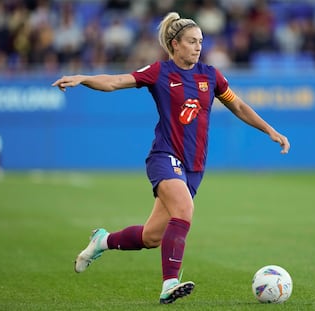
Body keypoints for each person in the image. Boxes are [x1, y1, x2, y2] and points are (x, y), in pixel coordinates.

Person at [52, 12, 290, 304]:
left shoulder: (210, 75)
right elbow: (115, 81)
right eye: (191, 41)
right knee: (184, 209)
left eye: (200, 41)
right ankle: (169, 284)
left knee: (151, 237)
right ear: (174, 44)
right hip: (164, 157)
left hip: (194, 167)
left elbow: (237, 105)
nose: (198, 46)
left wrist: (270, 130)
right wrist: (84, 78)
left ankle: (102, 240)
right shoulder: (159, 72)